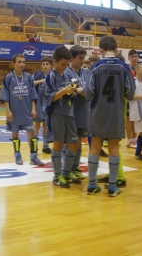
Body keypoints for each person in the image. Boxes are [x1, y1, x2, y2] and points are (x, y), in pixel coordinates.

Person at [84, 36, 135, 197]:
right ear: (117, 48)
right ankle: (112, 187)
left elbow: (88, 93)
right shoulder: (124, 67)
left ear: (100, 50)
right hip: (116, 113)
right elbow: (130, 93)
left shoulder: (96, 66)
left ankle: (92, 185)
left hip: (98, 112)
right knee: (113, 147)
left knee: (95, 147)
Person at [44, 46, 80, 188]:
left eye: (67, 64)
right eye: (63, 64)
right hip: (57, 114)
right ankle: (57, 176)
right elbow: (50, 98)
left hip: (69, 113)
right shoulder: (50, 77)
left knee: (74, 143)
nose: (65, 67)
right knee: (58, 144)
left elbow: (74, 90)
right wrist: (64, 90)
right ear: (55, 61)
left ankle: (66, 173)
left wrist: (72, 92)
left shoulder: (68, 75)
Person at [0, 54, 44, 166]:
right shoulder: (8, 78)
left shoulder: (29, 77)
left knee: (31, 134)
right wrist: (8, 111)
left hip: (27, 111)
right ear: (13, 63)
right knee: (15, 134)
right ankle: (17, 155)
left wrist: (33, 108)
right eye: (19, 62)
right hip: (14, 112)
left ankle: (33, 156)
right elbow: (5, 96)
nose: (22, 64)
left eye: (23, 62)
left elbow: (33, 95)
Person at [65, 45, 89, 180]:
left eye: (83, 58)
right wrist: (78, 90)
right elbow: (75, 88)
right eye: (80, 58)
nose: (82, 61)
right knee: (71, 142)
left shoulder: (85, 72)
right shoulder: (68, 73)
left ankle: (75, 167)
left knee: (79, 140)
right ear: (72, 58)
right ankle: (68, 168)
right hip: (72, 111)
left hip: (84, 111)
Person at [87, 54, 109, 157]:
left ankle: (98, 149)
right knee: (92, 130)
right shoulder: (88, 74)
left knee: (101, 129)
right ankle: (93, 149)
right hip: (90, 104)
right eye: (92, 62)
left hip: (102, 104)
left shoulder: (102, 74)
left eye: (95, 62)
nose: (93, 64)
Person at [32, 56, 53, 154]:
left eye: (47, 64)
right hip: (38, 103)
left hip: (48, 103)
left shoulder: (53, 75)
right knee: (37, 125)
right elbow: (31, 83)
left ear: (51, 65)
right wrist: (42, 81)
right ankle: (35, 145)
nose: (45, 66)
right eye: (43, 64)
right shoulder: (37, 74)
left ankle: (45, 146)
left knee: (46, 125)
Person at [129, 64, 142, 161]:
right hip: (138, 109)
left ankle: (139, 152)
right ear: (137, 70)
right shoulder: (132, 81)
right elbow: (129, 97)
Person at [126, 49, 138, 148]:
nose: (134, 58)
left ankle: (135, 139)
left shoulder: (141, 68)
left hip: (138, 98)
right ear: (129, 58)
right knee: (129, 119)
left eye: (136, 56)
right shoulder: (127, 68)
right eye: (132, 56)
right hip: (128, 97)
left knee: (136, 119)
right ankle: (129, 139)